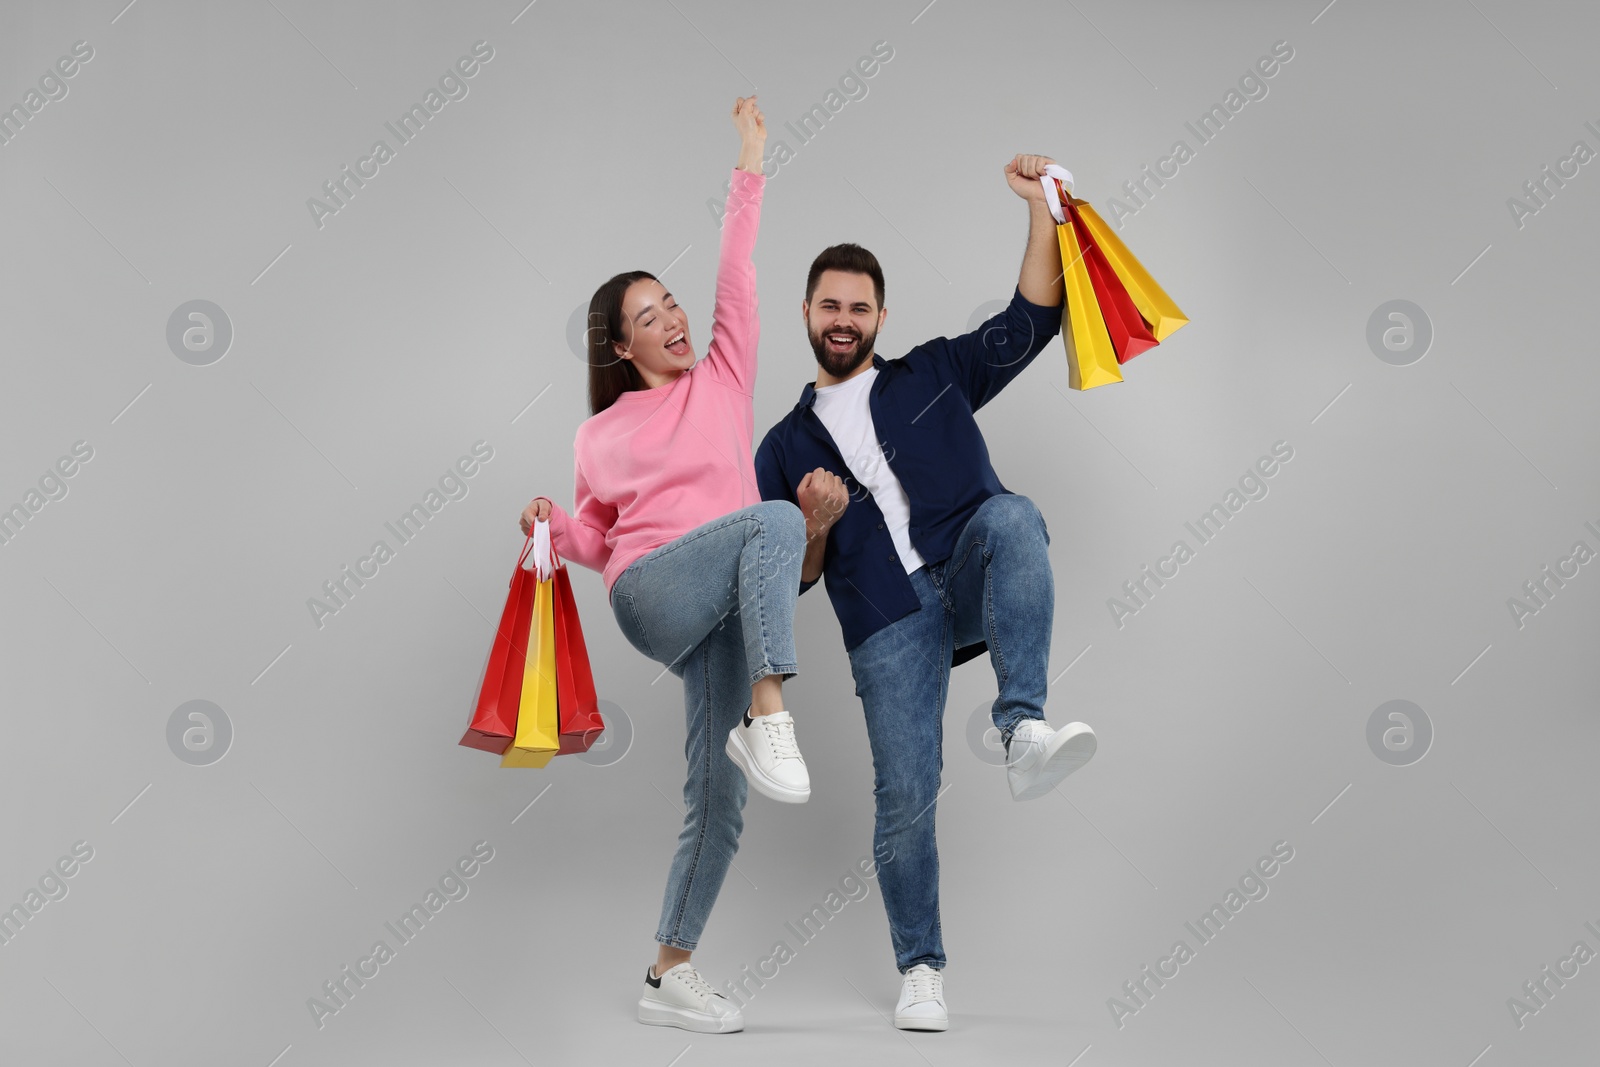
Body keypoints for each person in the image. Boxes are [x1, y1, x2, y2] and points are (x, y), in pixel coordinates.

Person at [753, 153, 1097, 1032]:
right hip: (886, 619)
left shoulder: (935, 369)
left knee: (1016, 515)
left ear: (880, 316)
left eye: (858, 306)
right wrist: (817, 527)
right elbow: (781, 586)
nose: (843, 319)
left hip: (968, 567)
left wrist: (1038, 211)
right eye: (828, 304)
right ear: (805, 312)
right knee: (905, 793)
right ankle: (921, 968)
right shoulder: (782, 448)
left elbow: (1032, 318)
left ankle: (1021, 727)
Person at [520, 96, 808, 1036]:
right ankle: (772, 712)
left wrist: (751, 159)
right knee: (772, 518)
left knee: (718, 803)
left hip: (724, 609)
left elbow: (737, 269)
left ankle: (667, 974)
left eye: (672, 301)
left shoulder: (724, 376)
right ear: (622, 345)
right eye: (652, 315)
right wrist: (551, 525)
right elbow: (601, 537)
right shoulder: (600, 432)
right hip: (649, 595)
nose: (676, 317)